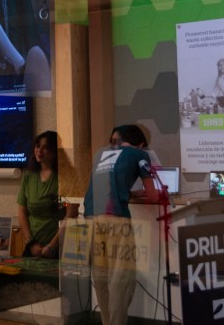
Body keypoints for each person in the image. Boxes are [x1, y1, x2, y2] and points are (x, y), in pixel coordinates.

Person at [83, 124, 160, 325]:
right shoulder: (138, 154)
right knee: (120, 280)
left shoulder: (102, 153)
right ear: (141, 144)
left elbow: (109, 186)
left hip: (91, 218)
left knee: (101, 279)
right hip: (116, 219)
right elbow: (153, 195)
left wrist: (131, 194)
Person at [17, 130, 62, 258]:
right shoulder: (28, 176)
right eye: (37, 146)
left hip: (58, 246)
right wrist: (31, 242)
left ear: (54, 151)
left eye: (45, 147)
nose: (39, 151)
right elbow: (22, 212)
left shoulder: (63, 178)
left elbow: (69, 213)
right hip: (32, 246)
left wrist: (52, 246)